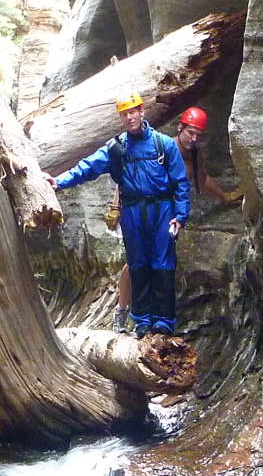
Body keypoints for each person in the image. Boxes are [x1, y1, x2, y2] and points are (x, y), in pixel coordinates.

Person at [49, 94, 191, 336]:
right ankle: (142, 321)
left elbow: (181, 183)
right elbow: (88, 167)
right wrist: (58, 181)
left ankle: (164, 322)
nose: (129, 117)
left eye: (133, 112)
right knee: (138, 264)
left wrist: (181, 215)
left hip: (162, 210)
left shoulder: (164, 145)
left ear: (142, 111)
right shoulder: (116, 148)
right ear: (121, 118)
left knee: (163, 264)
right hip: (132, 211)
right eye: (124, 114)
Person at [109, 106, 241, 329]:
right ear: (180, 128)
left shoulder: (194, 155)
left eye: (198, 135)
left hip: (166, 216)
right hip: (142, 211)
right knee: (135, 263)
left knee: (158, 263)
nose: (193, 139)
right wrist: (115, 206)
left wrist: (225, 196)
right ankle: (122, 311)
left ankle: (155, 319)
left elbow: (201, 178)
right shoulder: (162, 147)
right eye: (190, 133)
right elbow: (129, 178)